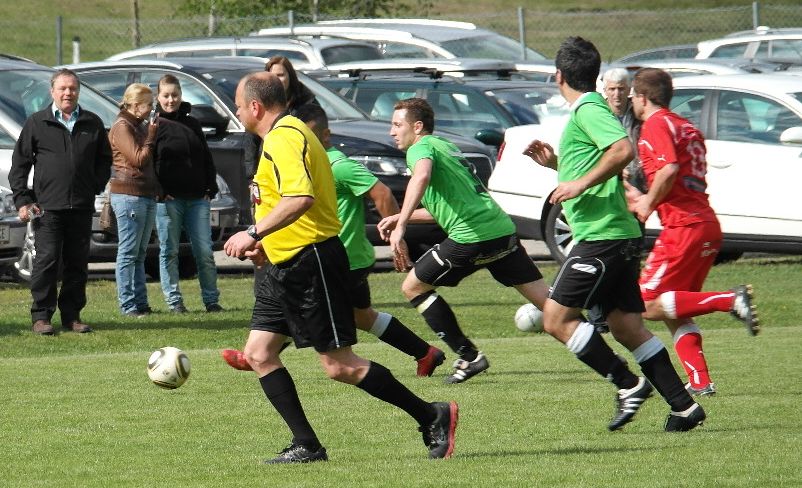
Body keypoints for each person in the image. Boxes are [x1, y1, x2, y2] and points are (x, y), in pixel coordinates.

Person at [223, 72, 458, 463]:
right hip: (282, 262)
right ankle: (307, 445)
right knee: (260, 353)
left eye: (236, 103)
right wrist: (266, 242)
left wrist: (252, 232)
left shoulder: (284, 137)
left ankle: (431, 414)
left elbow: (300, 198)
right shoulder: (282, 136)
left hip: (309, 262)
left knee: (340, 365)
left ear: (255, 106)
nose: (235, 110)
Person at [522, 36, 704, 432]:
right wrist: (559, 168)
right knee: (626, 326)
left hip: (601, 237)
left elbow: (621, 149)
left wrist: (579, 183)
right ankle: (684, 407)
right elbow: (601, 163)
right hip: (615, 233)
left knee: (555, 319)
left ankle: (627, 384)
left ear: (558, 76)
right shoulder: (588, 110)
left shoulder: (588, 107)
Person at [221, 103, 446, 376]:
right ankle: (425, 352)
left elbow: (383, 193)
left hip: (342, 255)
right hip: (319, 254)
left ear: (324, 136)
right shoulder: (297, 159)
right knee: (359, 316)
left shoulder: (338, 165)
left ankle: (261, 353)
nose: (303, 141)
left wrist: (397, 235)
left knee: (336, 319)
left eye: (309, 135)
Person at [376, 97, 550, 385]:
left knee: (413, 287)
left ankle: (469, 356)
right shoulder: (445, 146)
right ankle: (593, 334)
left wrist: (402, 225)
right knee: (551, 306)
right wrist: (398, 218)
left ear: (417, 127)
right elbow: (443, 206)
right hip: (501, 230)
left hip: (472, 237)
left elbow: (420, 177)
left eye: (397, 125)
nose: (392, 132)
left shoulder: (420, 148)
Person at [627, 67, 759, 396]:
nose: (630, 101)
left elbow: (670, 168)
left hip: (683, 227)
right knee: (675, 307)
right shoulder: (684, 125)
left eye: (632, 95)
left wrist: (647, 204)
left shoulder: (655, 124)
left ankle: (729, 300)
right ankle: (700, 381)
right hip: (704, 225)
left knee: (645, 304)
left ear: (644, 98)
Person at [9, 68, 112, 335]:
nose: (68, 93)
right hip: (47, 209)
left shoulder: (93, 123)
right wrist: (23, 199)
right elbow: (19, 165)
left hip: (80, 206)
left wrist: (93, 185)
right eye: (63, 88)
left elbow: (104, 161)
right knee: (47, 261)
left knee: (77, 263)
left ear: (78, 92)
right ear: (52, 92)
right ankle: (41, 316)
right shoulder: (37, 122)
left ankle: (72, 316)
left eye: (73, 88)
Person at [153, 74, 222, 314]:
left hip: (197, 199)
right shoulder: (154, 125)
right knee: (169, 250)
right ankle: (174, 301)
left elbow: (205, 156)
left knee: (204, 251)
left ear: (181, 96)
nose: (171, 100)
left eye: (175, 95)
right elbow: (147, 162)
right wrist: (160, 192)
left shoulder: (192, 123)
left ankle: (211, 300)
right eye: (166, 96)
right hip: (169, 201)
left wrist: (209, 187)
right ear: (158, 97)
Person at [108, 83, 160, 318]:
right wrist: (151, 136)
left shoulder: (136, 125)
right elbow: (138, 159)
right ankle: (127, 304)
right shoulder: (122, 126)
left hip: (144, 194)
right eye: (148, 104)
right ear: (136, 105)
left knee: (139, 253)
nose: (151, 109)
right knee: (128, 253)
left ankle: (140, 302)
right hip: (128, 195)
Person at [243, 56, 320, 182]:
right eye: (272, 75)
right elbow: (251, 138)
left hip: (297, 166)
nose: (276, 79)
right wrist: (251, 176)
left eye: (281, 75)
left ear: (290, 76)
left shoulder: (306, 101)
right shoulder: (260, 100)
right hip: (267, 166)